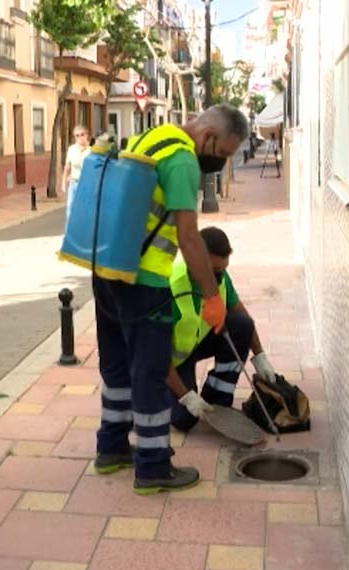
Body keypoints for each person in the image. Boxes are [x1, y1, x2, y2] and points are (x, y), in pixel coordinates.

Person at [91, 105, 250, 496]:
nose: (220, 161)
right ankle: (152, 466)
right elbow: (189, 238)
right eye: (224, 153)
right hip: (143, 282)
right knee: (149, 371)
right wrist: (212, 296)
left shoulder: (157, 137)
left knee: (117, 368)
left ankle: (111, 448)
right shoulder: (182, 162)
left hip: (107, 270)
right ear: (210, 136)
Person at [164, 227, 278, 431]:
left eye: (223, 270)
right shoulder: (171, 287)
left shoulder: (221, 277)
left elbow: (243, 317)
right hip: (167, 359)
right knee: (184, 419)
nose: (219, 277)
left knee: (241, 326)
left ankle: (217, 401)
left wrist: (260, 356)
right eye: (215, 271)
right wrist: (186, 396)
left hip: (195, 342)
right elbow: (156, 354)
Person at [62, 124, 90, 218]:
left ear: (86, 135)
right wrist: (63, 182)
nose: (80, 137)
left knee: (85, 209)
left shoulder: (91, 151)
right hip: (73, 183)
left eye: (82, 134)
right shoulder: (72, 149)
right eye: (77, 135)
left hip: (86, 184)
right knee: (70, 208)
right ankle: (69, 231)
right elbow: (67, 167)